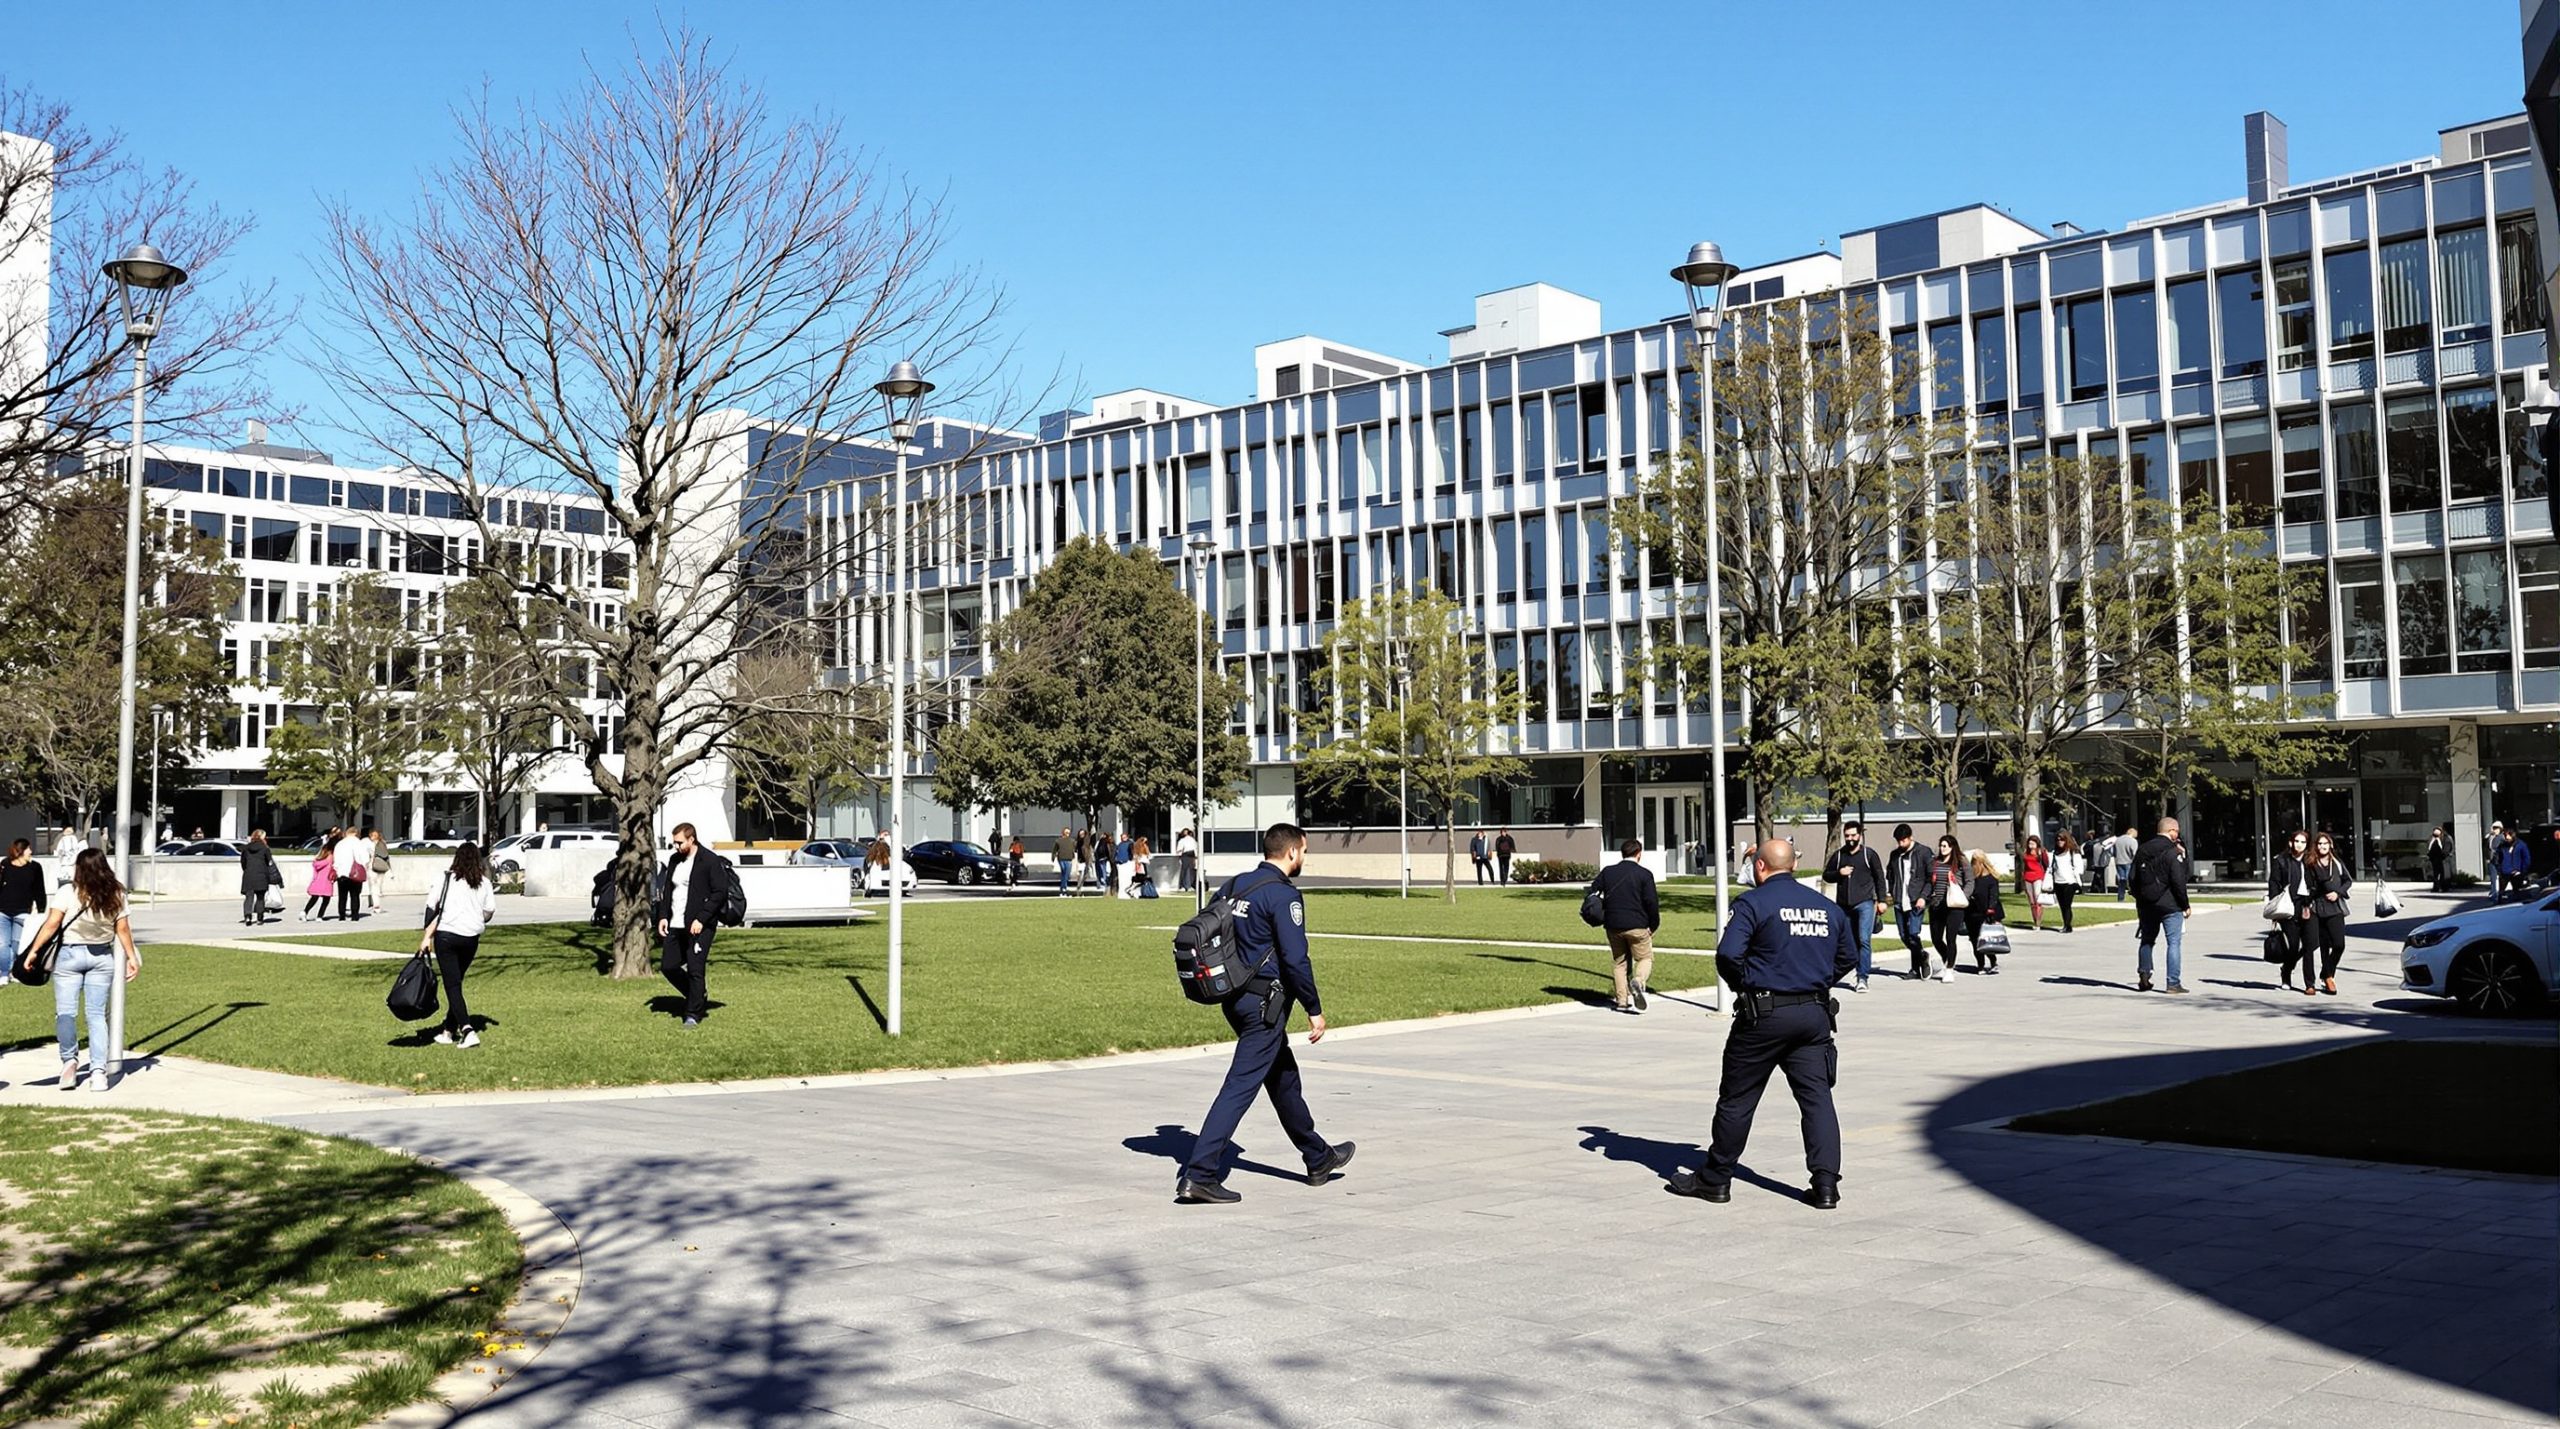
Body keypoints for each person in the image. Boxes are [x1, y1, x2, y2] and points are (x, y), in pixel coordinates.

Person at [1668, 839, 1855, 1210]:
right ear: (1793, 866)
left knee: (1738, 1099)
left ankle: (1716, 1179)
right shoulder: (1826, 908)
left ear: (1759, 867)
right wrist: (1815, 980)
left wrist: (1747, 984)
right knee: (1817, 1100)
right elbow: (1849, 955)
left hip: (1764, 1015)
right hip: (1814, 1016)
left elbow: (1727, 954)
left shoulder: (1753, 903)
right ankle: (1825, 1186)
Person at [1176, 823, 1354, 1204]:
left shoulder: (1236, 885)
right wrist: (1314, 1008)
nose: (1303, 858)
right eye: (1304, 852)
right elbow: (1295, 958)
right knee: (1240, 1086)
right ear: (1292, 852)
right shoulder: (1282, 896)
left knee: (1283, 1078)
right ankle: (1200, 1174)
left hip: (1235, 999)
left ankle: (1318, 1157)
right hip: (1264, 1007)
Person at [19, 848, 141, 1092]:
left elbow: (52, 924)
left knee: (65, 1013)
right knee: (96, 1016)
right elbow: (123, 929)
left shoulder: (68, 892)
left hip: (69, 956)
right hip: (101, 956)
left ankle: (69, 1063)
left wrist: (34, 950)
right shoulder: (116, 893)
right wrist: (131, 956)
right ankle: (98, 1072)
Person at [420, 841, 501, 1047]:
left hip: (447, 935)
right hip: (471, 938)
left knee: (452, 985)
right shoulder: (484, 883)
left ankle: (467, 1029)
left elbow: (431, 906)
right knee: (456, 983)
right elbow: (489, 911)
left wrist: (427, 935)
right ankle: (448, 1031)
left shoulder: (445, 878)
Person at [652, 822, 732, 1027]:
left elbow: (719, 893)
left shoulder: (709, 861)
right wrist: (662, 916)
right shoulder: (674, 860)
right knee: (668, 966)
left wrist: (701, 919)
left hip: (699, 925)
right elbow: (667, 890)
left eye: (679, 843)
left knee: (696, 968)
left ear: (691, 839)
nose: (676, 847)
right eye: (674, 843)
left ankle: (693, 1014)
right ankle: (697, 994)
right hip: (675, 922)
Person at [1593, 838, 1661, 1014]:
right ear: (1639, 854)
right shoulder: (1644, 874)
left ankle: (1621, 1000)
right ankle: (1638, 980)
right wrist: (1653, 925)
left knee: (1620, 963)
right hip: (1637, 925)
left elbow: (1594, 890)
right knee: (1645, 958)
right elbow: (1651, 903)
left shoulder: (1608, 872)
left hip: (1613, 924)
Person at [1818, 821, 1886, 993]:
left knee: (1864, 940)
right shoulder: (1839, 856)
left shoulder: (1868, 855)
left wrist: (1882, 900)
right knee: (1846, 942)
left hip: (1865, 903)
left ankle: (1862, 977)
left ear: (1860, 836)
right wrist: (1838, 873)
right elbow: (1826, 875)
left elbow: (1879, 878)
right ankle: (1839, 973)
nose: (1850, 839)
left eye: (1853, 836)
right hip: (1843, 905)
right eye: (1847, 836)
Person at [2129, 817, 2192, 994]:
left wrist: (2139, 897)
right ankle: (2173, 983)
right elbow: (2179, 880)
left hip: (2146, 904)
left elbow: (2132, 877)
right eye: (2177, 832)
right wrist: (2185, 904)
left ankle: (2144, 974)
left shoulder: (2143, 849)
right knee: (2173, 942)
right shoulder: (2173, 851)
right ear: (2171, 831)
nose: (2177, 835)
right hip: (2170, 904)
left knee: (2147, 940)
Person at [2302, 830, 2353, 995]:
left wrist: (2337, 892)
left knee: (2339, 944)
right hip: (2316, 907)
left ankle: (2327, 972)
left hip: (2334, 907)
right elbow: (2309, 886)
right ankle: (2320, 981)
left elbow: (2348, 880)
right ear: (2316, 846)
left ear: (2330, 845)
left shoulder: (2336, 863)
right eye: (2320, 844)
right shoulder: (2310, 863)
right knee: (2319, 945)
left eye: (2325, 843)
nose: (2323, 846)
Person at [2267, 829, 2318, 993]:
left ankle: (2310, 984)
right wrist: (2275, 909)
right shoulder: (2281, 861)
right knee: (2293, 946)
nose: (2300, 845)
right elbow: (2274, 884)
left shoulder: (2310, 861)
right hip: (2289, 908)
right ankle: (2286, 971)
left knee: (2311, 944)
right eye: (2297, 841)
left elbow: (2318, 881)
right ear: (2291, 843)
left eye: (2303, 842)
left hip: (2307, 906)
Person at [1884, 824, 1935, 980]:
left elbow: (1930, 878)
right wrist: (1891, 892)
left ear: (1911, 837)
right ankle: (1921, 958)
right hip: (1900, 899)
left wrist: (1923, 897)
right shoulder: (1895, 855)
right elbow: (1890, 875)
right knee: (1904, 935)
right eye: (1898, 841)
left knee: (1913, 933)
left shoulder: (1924, 853)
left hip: (1916, 900)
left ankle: (1918, 964)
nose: (1901, 844)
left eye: (1903, 841)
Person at [0, 838, 46, 971]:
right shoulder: (5, 865)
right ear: (21, 851)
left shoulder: (35, 867)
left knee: (17, 944)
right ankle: (3, 973)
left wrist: (41, 909)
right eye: (28, 849)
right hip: (3, 911)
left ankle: (15, 971)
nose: (31, 852)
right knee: (3, 944)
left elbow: (39, 889)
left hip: (23, 912)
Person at [1925, 835, 1965, 982]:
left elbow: (1970, 880)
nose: (1942, 849)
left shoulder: (1960, 861)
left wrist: (1964, 895)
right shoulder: (1935, 862)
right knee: (1936, 938)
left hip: (1954, 905)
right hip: (1937, 904)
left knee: (1950, 938)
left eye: (1945, 846)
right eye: (1941, 846)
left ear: (1952, 847)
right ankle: (1946, 959)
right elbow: (1929, 880)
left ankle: (1949, 969)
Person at [1964, 851, 2007, 974]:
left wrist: (1991, 909)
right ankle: (1980, 964)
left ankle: (1993, 961)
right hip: (1972, 913)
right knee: (1974, 940)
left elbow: (1994, 895)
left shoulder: (1991, 878)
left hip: (1987, 913)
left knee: (1987, 939)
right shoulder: (1971, 879)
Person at [237, 829, 281, 927]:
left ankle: (248, 916)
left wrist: (247, 870)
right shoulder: (265, 849)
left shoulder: (246, 848)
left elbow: (243, 863)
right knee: (260, 898)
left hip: (249, 875)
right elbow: (269, 862)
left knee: (249, 897)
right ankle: (260, 918)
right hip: (261, 875)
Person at [2048, 832, 2084, 934]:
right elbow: (2051, 868)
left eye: (2062, 839)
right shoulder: (2055, 853)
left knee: (2067, 905)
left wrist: (2077, 882)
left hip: (2069, 883)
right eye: (2058, 839)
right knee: (2062, 905)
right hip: (2057, 882)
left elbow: (2078, 868)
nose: (2060, 841)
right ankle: (2065, 923)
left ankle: (2068, 926)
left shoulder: (2072, 853)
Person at [332, 824, 369, 921]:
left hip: (342, 873)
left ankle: (342, 915)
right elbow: (365, 858)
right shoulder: (358, 843)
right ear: (356, 833)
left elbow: (335, 859)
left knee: (342, 896)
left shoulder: (340, 844)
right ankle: (355, 915)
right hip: (355, 873)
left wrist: (337, 870)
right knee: (355, 895)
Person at [302, 830, 339, 921]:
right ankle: (320, 915)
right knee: (326, 899)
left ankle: (305, 912)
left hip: (318, 880)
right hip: (327, 880)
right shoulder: (331, 857)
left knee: (314, 897)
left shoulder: (320, 857)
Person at [2020, 835, 2049, 932]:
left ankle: (2038, 922)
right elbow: (2024, 865)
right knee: (2031, 901)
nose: (2031, 845)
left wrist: (2044, 875)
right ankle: (2034, 920)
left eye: (2033, 843)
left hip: (2038, 876)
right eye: (2029, 843)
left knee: (2038, 898)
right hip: (2028, 876)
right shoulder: (2026, 852)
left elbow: (2046, 864)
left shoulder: (2041, 852)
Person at [364, 827, 391, 914]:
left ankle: (375, 904)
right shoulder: (382, 843)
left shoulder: (369, 844)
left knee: (375, 886)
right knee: (376, 886)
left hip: (374, 866)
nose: (373, 837)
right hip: (378, 866)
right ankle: (375, 903)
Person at [2112, 825, 2137, 900]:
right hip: (2128, 862)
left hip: (2119, 862)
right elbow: (2134, 853)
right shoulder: (2132, 841)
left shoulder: (2118, 840)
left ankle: (2120, 897)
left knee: (2121, 880)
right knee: (2130, 880)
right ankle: (2134, 895)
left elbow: (2114, 851)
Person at [2426, 826, 2451, 893]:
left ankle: (2444, 887)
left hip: (2443, 859)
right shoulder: (2432, 839)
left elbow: (2446, 849)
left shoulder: (2445, 839)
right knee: (2435, 874)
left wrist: (2444, 856)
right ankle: (2436, 887)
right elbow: (2429, 848)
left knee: (2444, 874)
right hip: (2434, 859)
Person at [1053, 828, 1077, 896]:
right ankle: (1064, 888)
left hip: (1069, 859)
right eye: (1066, 832)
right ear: (1063, 833)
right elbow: (1055, 849)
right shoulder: (1058, 841)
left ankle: (1063, 888)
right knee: (1064, 871)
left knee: (1066, 874)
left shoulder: (1072, 841)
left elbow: (1076, 847)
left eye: (1068, 833)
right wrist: (1053, 856)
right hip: (1061, 859)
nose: (1067, 834)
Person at [1176, 827, 1199, 893]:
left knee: (1189, 870)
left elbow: (1194, 848)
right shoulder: (1183, 840)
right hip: (1187, 855)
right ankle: (1184, 886)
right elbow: (1180, 849)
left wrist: (1195, 856)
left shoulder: (1190, 840)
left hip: (1189, 855)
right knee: (1186, 870)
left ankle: (1188, 885)